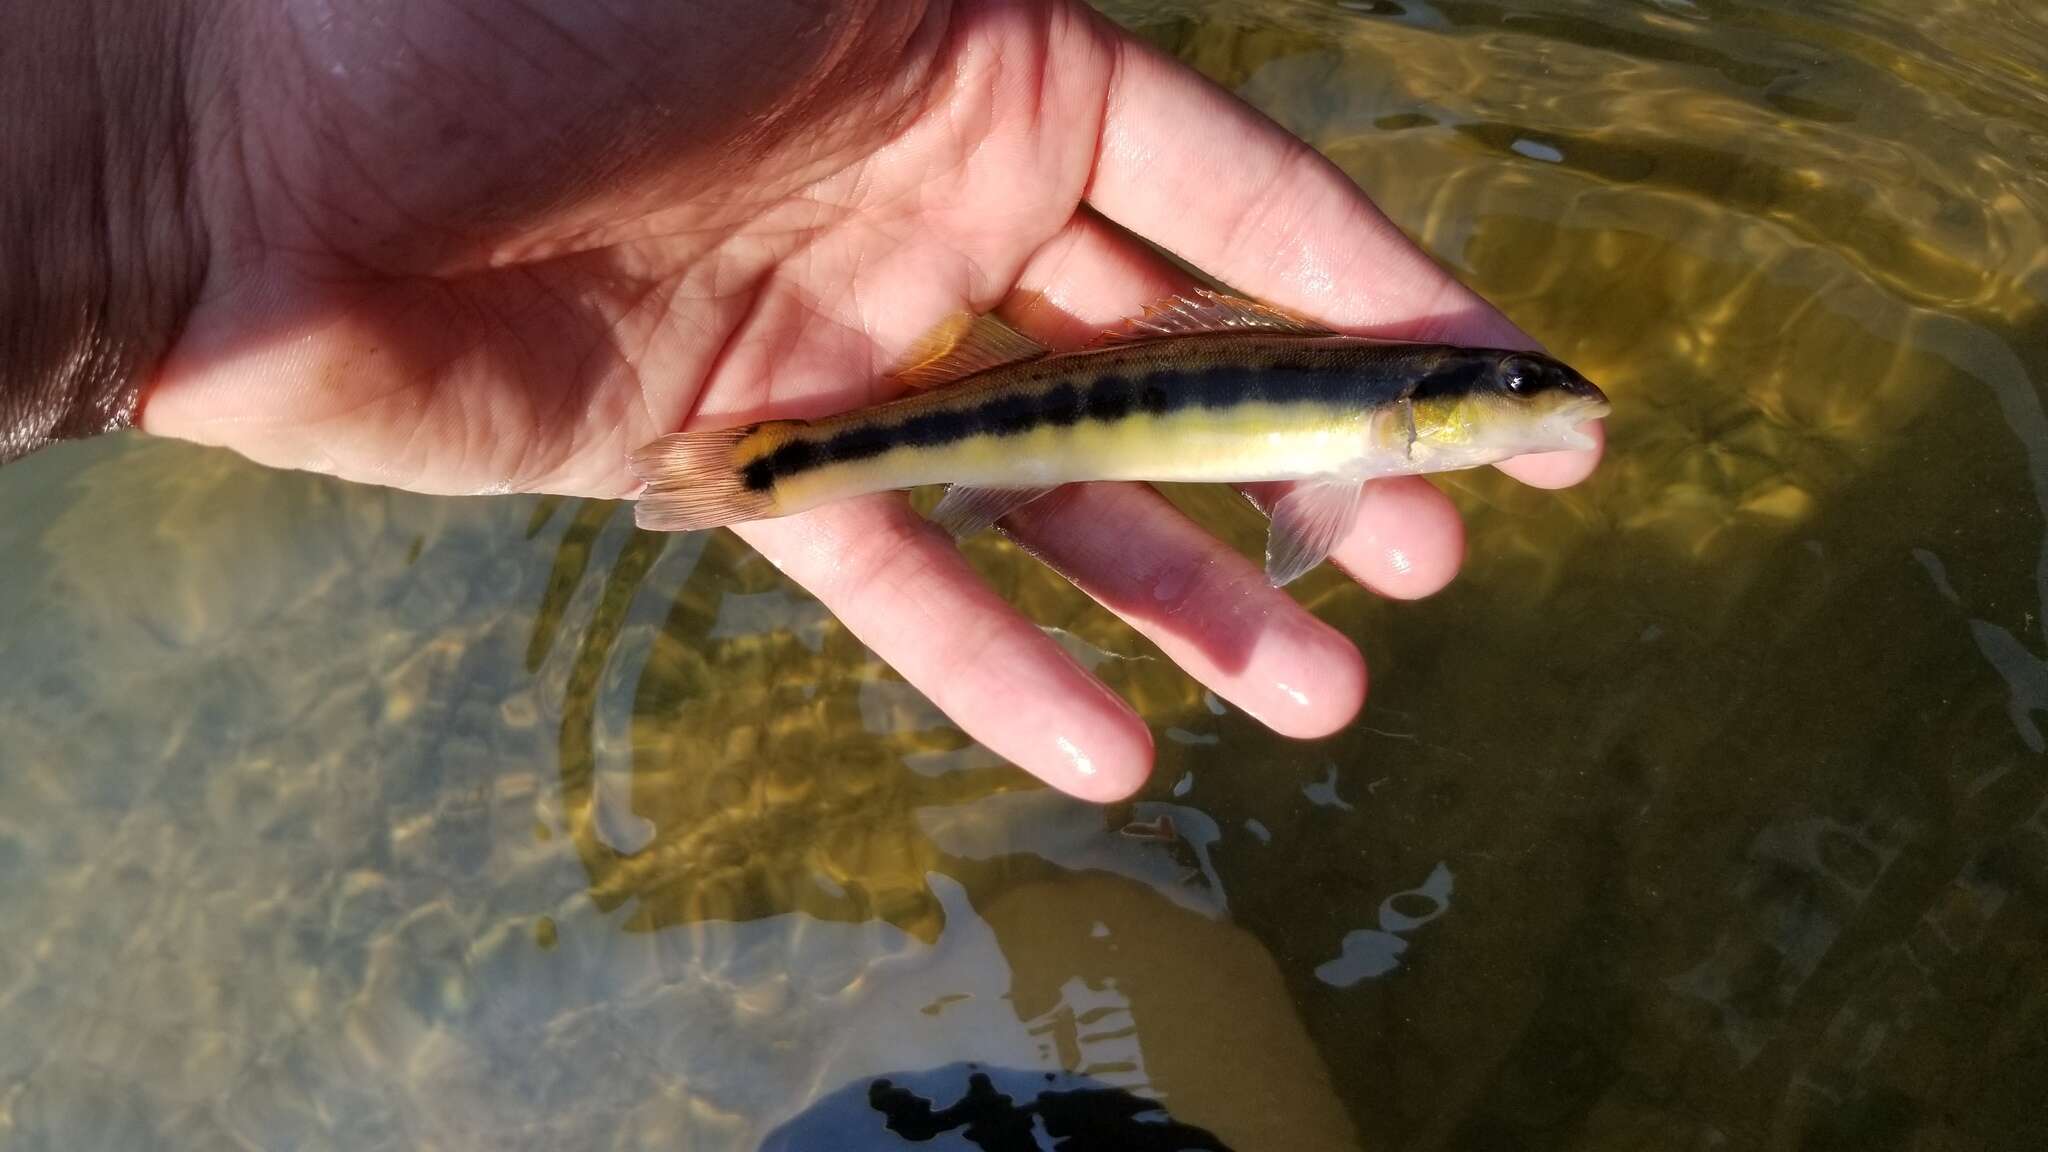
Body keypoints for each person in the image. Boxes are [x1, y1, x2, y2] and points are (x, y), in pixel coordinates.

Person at [3, 0, 1599, 801]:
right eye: (1513, 390)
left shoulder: (1372, 414)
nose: (1534, 398)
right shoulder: (1375, 408)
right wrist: (175, 159)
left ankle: (796, 465)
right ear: (1431, 399)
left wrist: (169, 157)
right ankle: (794, 465)